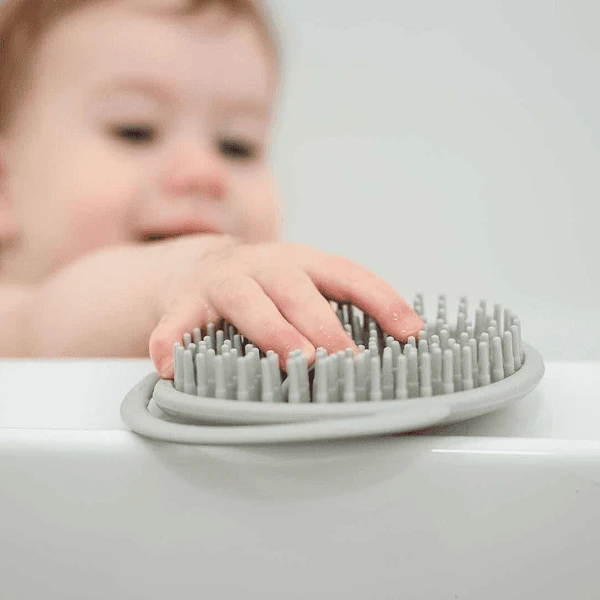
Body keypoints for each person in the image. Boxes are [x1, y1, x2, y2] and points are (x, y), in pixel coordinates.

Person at [0, 0, 423, 380]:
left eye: (237, 145)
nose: (203, 171)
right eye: (136, 130)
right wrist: (184, 271)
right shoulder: (13, 322)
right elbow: (42, 322)